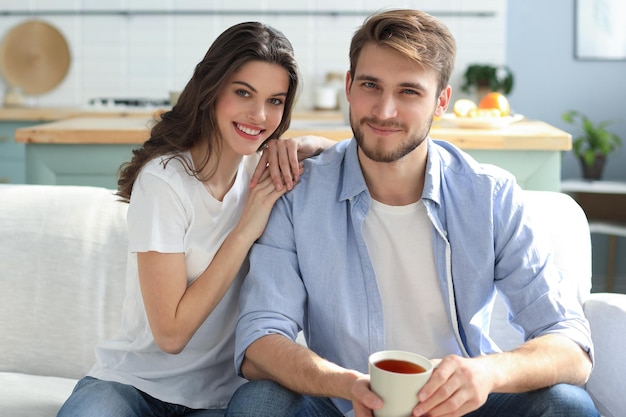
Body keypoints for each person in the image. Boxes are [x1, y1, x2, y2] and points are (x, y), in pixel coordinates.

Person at [226, 9, 599, 417]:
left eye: (409, 91)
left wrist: (487, 374)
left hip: (462, 408)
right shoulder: (299, 194)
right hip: (341, 403)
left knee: (567, 405)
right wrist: (348, 385)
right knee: (258, 403)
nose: (385, 111)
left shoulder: (490, 196)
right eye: (371, 85)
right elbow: (259, 341)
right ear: (349, 87)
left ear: (441, 101)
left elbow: (571, 344)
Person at [57, 21, 333, 417]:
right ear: (212, 90)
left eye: (275, 101)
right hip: (136, 385)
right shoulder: (165, 181)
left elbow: (352, 159)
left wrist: (307, 144)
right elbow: (170, 334)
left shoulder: (264, 172)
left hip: (227, 394)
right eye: (243, 93)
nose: (259, 114)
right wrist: (244, 232)